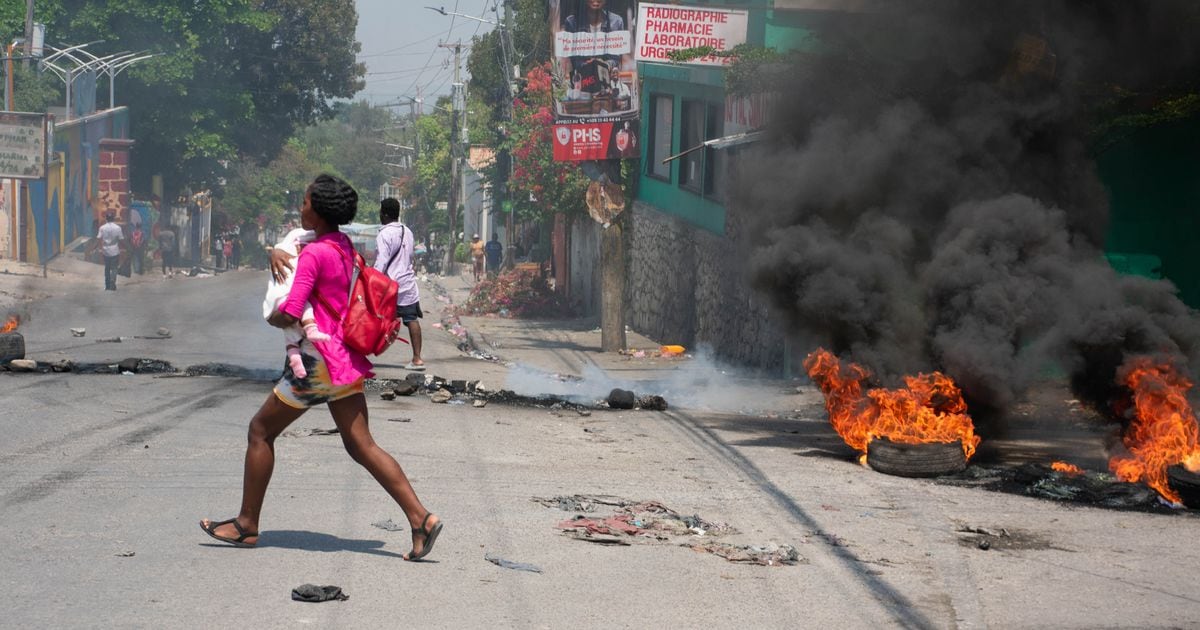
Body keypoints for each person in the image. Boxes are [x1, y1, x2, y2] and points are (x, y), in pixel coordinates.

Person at [200, 175, 442, 561]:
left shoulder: (314, 255)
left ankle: (246, 525)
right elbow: (292, 244)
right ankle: (421, 518)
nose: (301, 208)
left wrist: (273, 315)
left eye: (305, 202)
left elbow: (293, 310)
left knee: (260, 431)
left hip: (316, 363)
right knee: (361, 445)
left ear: (319, 209)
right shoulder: (342, 245)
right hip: (342, 358)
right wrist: (271, 252)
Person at [261, 227, 331, 379]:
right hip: (311, 319)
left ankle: (293, 372)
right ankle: (292, 371)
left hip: (319, 333)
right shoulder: (300, 237)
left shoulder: (323, 247)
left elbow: (290, 315)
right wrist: (277, 251)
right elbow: (284, 249)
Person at [375, 198, 426, 371]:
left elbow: (382, 260)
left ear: (385, 214)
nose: (380, 215)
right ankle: (417, 359)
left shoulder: (384, 234)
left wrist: (372, 278)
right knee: (412, 319)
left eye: (381, 212)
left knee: (373, 317)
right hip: (408, 283)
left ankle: (361, 354)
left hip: (390, 285)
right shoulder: (408, 231)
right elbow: (410, 255)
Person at [89, 212, 125, 291]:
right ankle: (113, 281)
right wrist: (127, 248)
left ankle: (107, 285)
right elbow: (122, 240)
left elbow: (98, 239)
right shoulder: (118, 228)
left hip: (106, 251)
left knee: (107, 268)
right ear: (113, 219)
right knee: (114, 268)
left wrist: (93, 248)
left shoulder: (102, 228)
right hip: (115, 251)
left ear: (106, 219)